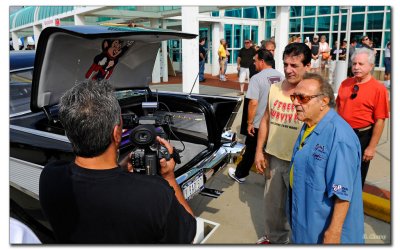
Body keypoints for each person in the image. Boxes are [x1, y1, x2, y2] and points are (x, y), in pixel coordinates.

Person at [39, 81, 196, 243]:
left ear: (70, 133)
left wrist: (119, 169)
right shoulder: (155, 194)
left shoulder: (50, 177)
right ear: (116, 134)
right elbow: (188, 234)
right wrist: (169, 177)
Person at [289, 73, 364, 244]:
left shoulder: (340, 137)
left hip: (324, 231)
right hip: (304, 223)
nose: (295, 102)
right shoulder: (309, 124)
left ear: (324, 101)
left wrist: (333, 233)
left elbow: (342, 192)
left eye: (303, 98)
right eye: (294, 96)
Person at [254, 43, 310, 244]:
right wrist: (259, 151)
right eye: (286, 64)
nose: (288, 70)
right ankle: (275, 239)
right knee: (273, 205)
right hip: (275, 158)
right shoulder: (275, 88)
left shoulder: (315, 92)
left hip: (301, 162)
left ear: (308, 66)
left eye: (294, 65)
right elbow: (266, 120)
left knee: (301, 208)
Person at [336, 48, 389, 188]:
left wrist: (371, 147)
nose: (356, 67)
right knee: (338, 172)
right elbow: (337, 110)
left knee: (357, 177)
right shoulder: (345, 83)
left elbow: (380, 120)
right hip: (342, 135)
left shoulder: (379, 89)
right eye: (354, 64)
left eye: (361, 64)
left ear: (371, 66)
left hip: (362, 136)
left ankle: (353, 207)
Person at [230, 49, 284, 183]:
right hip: (276, 122)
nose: (253, 63)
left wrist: (249, 123)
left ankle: (240, 174)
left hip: (260, 123)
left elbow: (253, 103)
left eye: (255, 60)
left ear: (262, 61)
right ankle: (271, 178)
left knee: (251, 150)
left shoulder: (256, 78)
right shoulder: (281, 76)